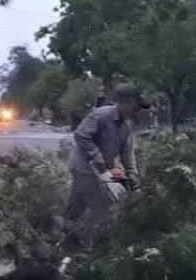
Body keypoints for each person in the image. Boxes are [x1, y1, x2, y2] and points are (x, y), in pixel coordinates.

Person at [63, 86, 149, 241]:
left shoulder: (126, 127)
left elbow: (127, 153)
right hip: (84, 168)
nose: (137, 113)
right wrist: (95, 155)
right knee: (101, 207)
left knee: (77, 205)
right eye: (135, 108)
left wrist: (131, 174)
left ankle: (64, 234)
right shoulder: (102, 115)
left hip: (102, 172)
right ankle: (85, 239)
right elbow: (81, 135)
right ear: (125, 103)